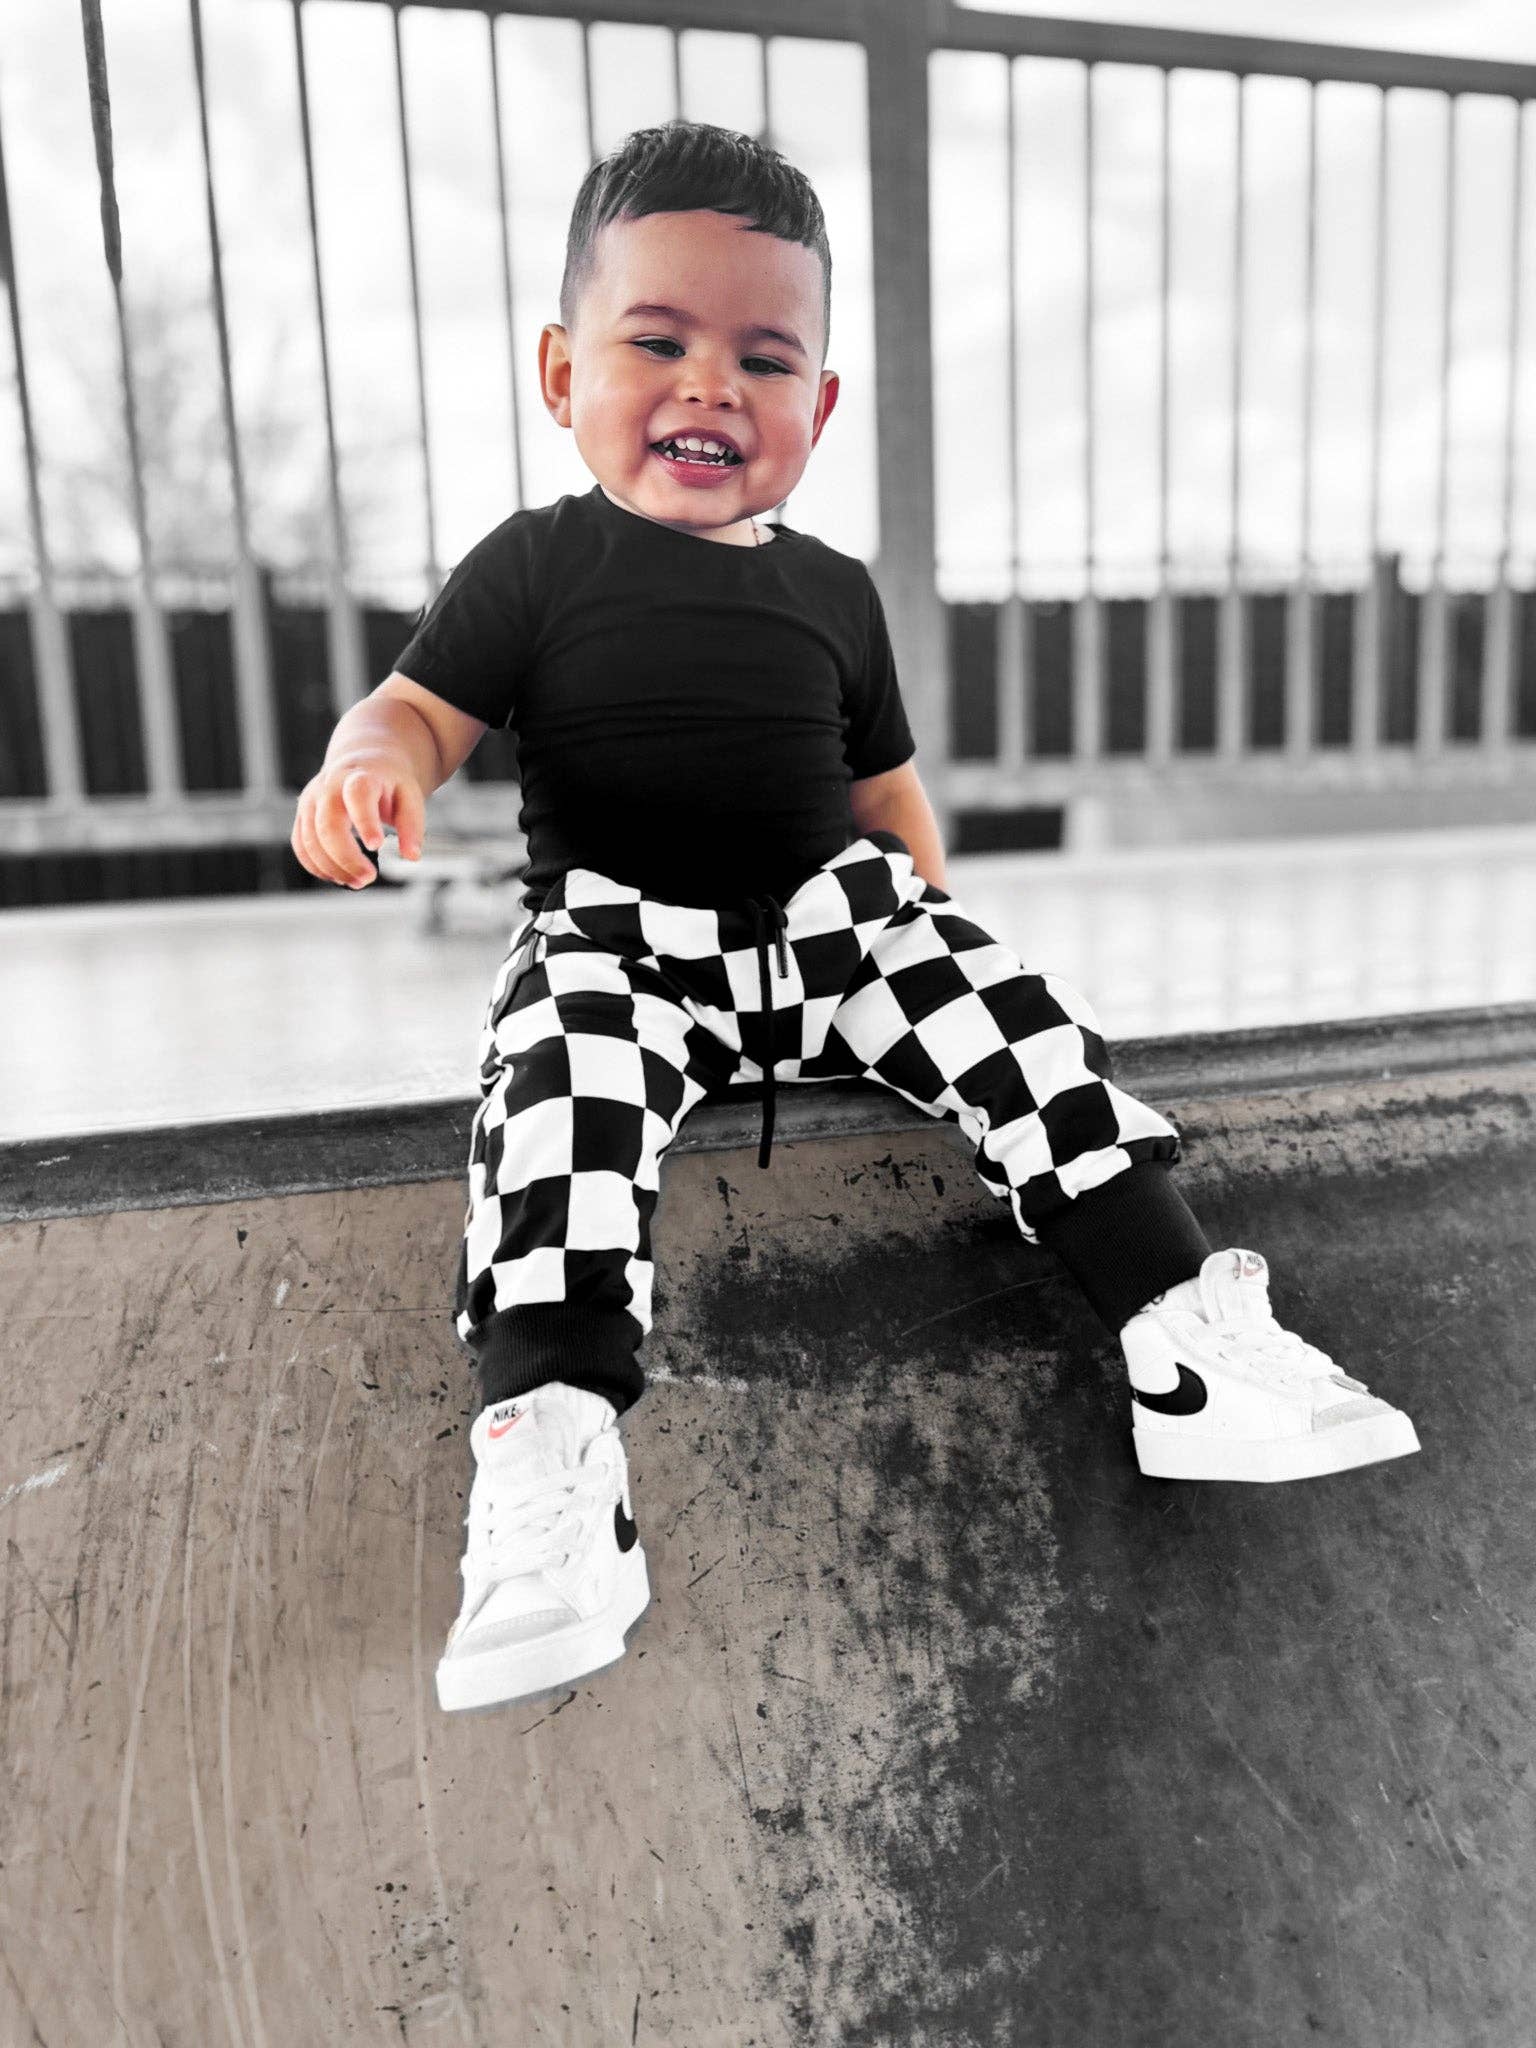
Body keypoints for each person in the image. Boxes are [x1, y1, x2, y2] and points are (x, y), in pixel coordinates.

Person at [290, 119, 1420, 1717]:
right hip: (624, 953)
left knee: (1026, 1032)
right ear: (559, 373)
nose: (710, 386)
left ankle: (1184, 1338)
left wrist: (941, 948)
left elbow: (885, 796)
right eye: (657, 343)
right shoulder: (535, 565)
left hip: (839, 931)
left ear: (818, 408)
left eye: (764, 360)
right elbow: (414, 710)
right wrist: (367, 769)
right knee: (552, 1112)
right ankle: (554, 1467)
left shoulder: (834, 592)